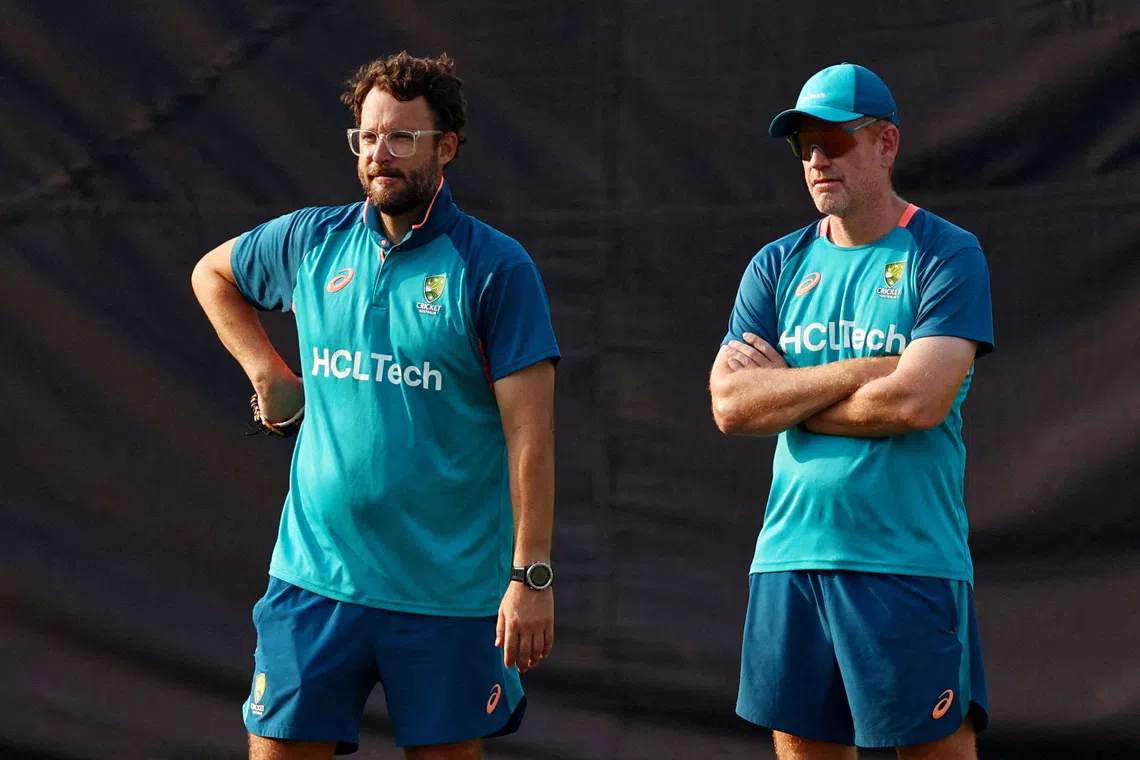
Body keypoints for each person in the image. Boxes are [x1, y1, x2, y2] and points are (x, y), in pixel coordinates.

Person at [191, 52, 560, 760]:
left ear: (445, 148)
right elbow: (213, 274)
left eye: (401, 138)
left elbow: (531, 435)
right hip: (315, 582)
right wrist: (268, 375)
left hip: (447, 597)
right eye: (366, 136)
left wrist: (531, 577)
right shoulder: (312, 240)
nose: (378, 156)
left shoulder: (495, 267)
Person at [709, 63, 994, 760]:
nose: (816, 160)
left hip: (906, 559)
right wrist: (860, 372)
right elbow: (731, 404)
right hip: (789, 557)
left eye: (834, 141)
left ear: (886, 143)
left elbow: (919, 399)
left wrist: (793, 397)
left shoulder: (945, 253)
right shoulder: (775, 266)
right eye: (803, 145)